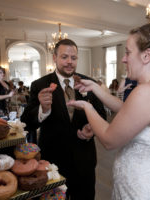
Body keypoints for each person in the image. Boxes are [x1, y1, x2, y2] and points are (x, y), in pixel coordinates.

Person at [67, 22, 150, 199]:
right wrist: (96, 88)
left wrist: (87, 107)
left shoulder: (147, 92)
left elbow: (108, 140)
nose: (124, 59)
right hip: (147, 184)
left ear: (146, 55)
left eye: (128, 52)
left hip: (143, 191)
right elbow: (129, 111)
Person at [21, 39, 106, 200]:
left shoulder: (89, 83)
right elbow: (26, 123)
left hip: (84, 160)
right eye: (64, 57)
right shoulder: (40, 85)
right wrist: (43, 109)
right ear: (54, 58)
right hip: (53, 161)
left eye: (73, 58)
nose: (69, 62)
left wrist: (92, 128)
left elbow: (101, 115)